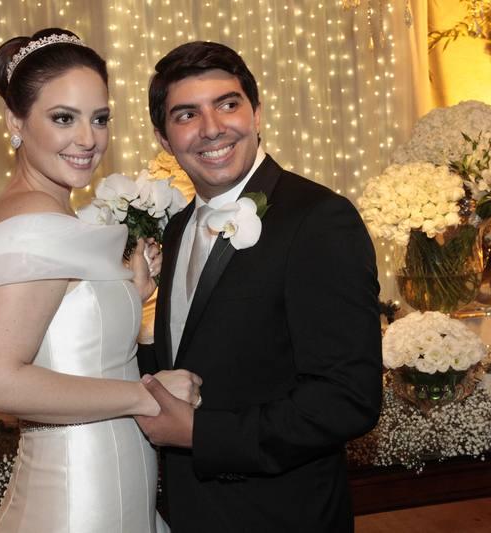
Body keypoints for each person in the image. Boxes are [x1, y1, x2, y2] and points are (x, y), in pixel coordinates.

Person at [135, 41, 383, 532]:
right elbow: (192, 362)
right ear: (164, 138)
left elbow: (348, 397)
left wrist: (202, 434)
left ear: (257, 113)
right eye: (187, 115)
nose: (212, 128)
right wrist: (134, 307)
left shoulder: (319, 219)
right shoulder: (178, 227)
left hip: (284, 515)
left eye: (228, 104)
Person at [0, 28, 201, 533]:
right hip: (77, 498)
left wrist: (127, 294)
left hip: (109, 488)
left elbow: (65, 340)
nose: (88, 139)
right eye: (63, 118)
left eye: (99, 118)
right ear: (15, 121)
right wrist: (146, 395)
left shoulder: (51, 214)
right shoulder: (31, 221)